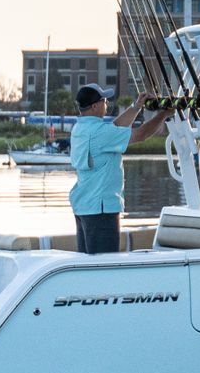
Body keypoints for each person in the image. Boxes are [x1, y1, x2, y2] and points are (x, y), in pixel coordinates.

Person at [66, 85, 165, 254]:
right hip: (101, 210)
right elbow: (140, 134)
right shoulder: (100, 133)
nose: (107, 103)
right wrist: (163, 115)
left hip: (84, 206)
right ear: (95, 106)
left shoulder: (80, 128)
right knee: (105, 263)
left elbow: (114, 127)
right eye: (104, 100)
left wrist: (136, 106)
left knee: (89, 261)